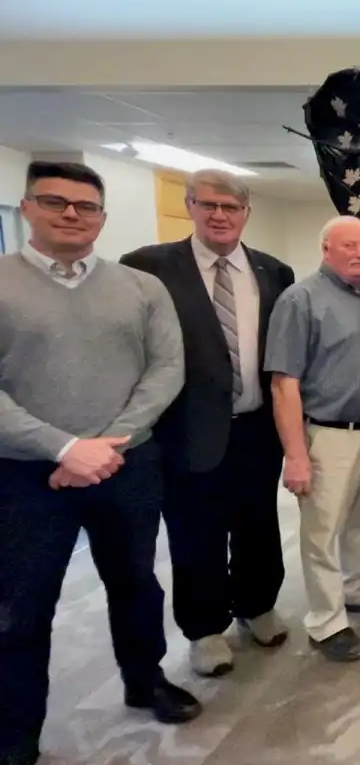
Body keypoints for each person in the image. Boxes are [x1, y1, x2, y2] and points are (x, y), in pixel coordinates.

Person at [0, 161, 201, 765]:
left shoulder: (140, 289)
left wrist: (106, 445)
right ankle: (13, 741)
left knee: (136, 583)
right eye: (54, 202)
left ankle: (146, 681)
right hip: (24, 475)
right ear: (27, 208)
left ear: (102, 218)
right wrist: (64, 447)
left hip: (126, 465)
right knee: (21, 608)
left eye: (85, 206)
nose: (71, 214)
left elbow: (166, 370)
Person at [120, 170, 295, 677]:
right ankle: (204, 630)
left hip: (257, 428)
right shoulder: (148, 267)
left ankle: (257, 605)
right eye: (209, 205)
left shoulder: (273, 272)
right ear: (190, 206)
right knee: (196, 535)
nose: (220, 215)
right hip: (187, 430)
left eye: (231, 207)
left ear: (246, 213)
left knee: (258, 524)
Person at [264, 215, 360, 664]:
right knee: (322, 532)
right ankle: (326, 622)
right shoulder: (300, 299)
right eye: (349, 246)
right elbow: (283, 383)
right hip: (327, 434)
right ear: (326, 249)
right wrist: (295, 455)